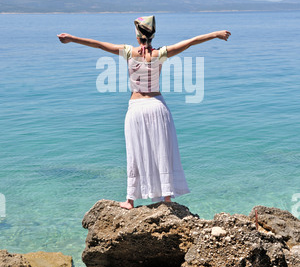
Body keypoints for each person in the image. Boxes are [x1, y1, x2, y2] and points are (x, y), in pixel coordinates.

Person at [57, 16, 231, 210]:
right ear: (152, 34)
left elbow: (99, 45)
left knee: (135, 152)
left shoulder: (129, 52)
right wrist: (215, 34)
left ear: (137, 34)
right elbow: (190, 42)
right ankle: (166, 199)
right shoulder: (160, 54)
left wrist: (72, 38)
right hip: (157, 106)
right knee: (162, 151)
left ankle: (130, 200)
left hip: (137, 109)